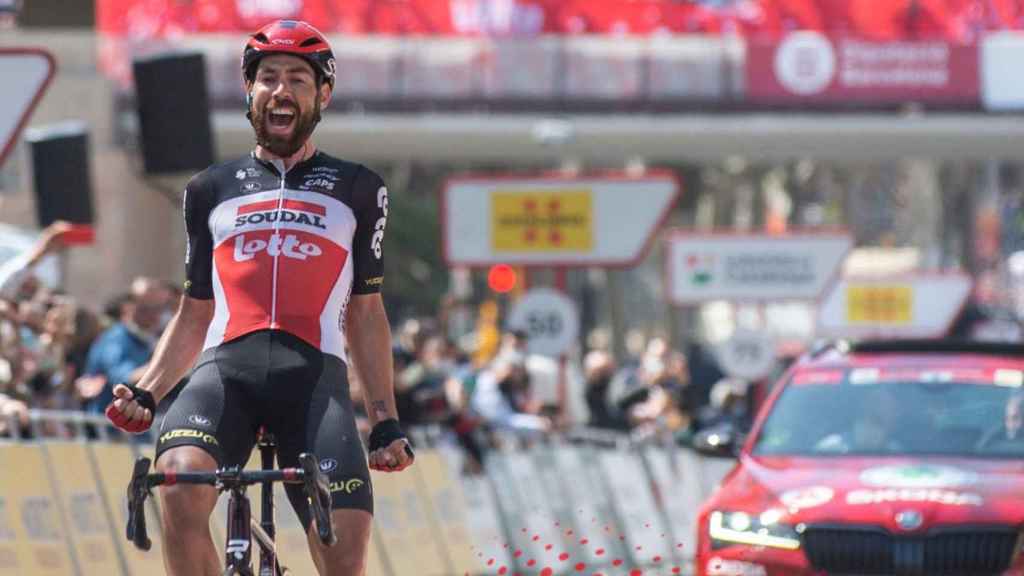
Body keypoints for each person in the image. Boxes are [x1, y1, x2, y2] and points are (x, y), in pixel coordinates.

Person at [103, 19, 414, 576]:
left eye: (298, 78)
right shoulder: (208, 190)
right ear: (249, 92)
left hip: (314, 381)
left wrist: (385, 420)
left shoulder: (360, 189)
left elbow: (367, 311)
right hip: (225, 374)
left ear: (323, 96)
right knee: (176, 481)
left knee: (344, 556)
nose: (282, 89)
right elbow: (194, 312)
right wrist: (148, 394)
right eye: (268, 76)